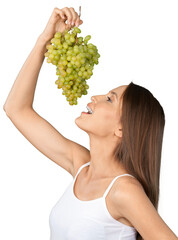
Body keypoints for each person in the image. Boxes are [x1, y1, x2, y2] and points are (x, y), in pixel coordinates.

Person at [3, 6, 177, 240]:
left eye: (109, 99)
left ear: (122, 128)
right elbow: (16, 109)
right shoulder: (81, 166)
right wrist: (45, 39)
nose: (94, 97)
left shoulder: (124, 191)